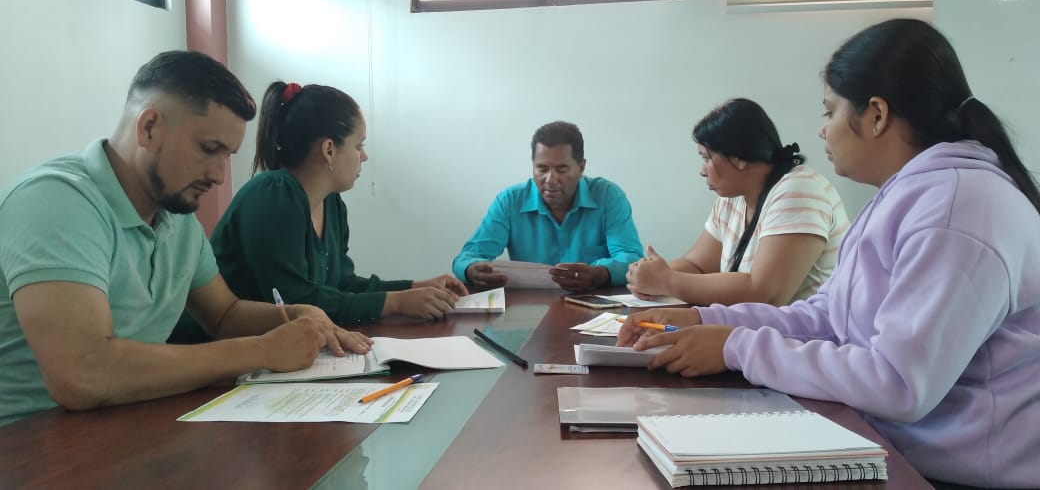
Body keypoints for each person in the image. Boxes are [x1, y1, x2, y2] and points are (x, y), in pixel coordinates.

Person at [618, 19, 1040, 488]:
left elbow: (898, 383)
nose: (822, 131)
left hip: (953, 474)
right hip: (888, 445)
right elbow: (827, 318)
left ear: (876, 115)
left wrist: (735, 346)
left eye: (830, 111)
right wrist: (706, 320)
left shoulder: (956, 209)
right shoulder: (907, 196)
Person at [0, 51, 372, 426]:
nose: (219, 176)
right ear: (149, 128)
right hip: (30, 442)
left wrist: (300, 315)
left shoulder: (176, 218)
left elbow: (224, 315)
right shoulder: (56, 200)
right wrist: (262, 350)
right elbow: (83, 374)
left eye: (227, 156)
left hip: (126, 424)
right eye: (209, 150)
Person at [167, 81, 467, 344]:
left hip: (270, 350)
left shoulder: (332, 203)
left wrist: (416, 288)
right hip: (209, 349)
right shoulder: (273, 196)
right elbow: (299, 300)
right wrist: (396, 302)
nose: (364, 156)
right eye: (358, 145)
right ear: (329, 149)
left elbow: (341, 285)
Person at [626, 99, 849, 306]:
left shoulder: (799, 189)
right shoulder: (732, 199)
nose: (702, 171)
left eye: (707, 158)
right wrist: (648, 274)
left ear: (739, 158)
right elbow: (698, 266)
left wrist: (666, 280)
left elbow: (765, 294)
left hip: (808, 334)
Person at [452, 121, 643, 292]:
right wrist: (471, 270)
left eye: (561, 169)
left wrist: (600, 273)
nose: (550, 179)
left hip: (593, 304)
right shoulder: (510, 201)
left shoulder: (608, 196)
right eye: (542, 169)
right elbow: (468, 257)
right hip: (527, 308)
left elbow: (632, 258)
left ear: (581, 167)